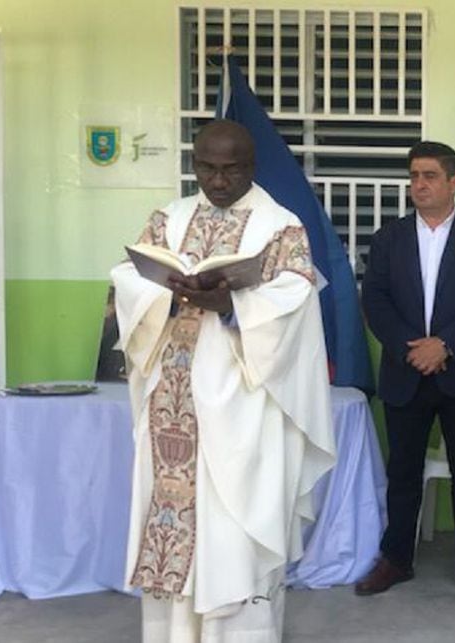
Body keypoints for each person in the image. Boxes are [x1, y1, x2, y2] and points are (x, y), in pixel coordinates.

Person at [111, 120, 336, 642]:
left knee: (234, 529)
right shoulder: (169, 216)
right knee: (170, 527)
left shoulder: (281, 226)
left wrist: (231, 305)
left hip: (243, 405)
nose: (216, 180)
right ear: (195, 164)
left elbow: (296, 303)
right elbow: (128, 277)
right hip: (171, 398)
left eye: (230, 169)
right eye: (207, 168)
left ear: (251, 167)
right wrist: (166, 290)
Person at [357, 141, 455, 608]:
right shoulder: (389, 238)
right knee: (402, 470)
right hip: (406, 372)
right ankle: (396, 558)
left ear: (454, 182)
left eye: (429, 176)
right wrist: (413, 350)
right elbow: (375, 300)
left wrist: (445, 345)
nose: (418, 185)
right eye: (414, 176)